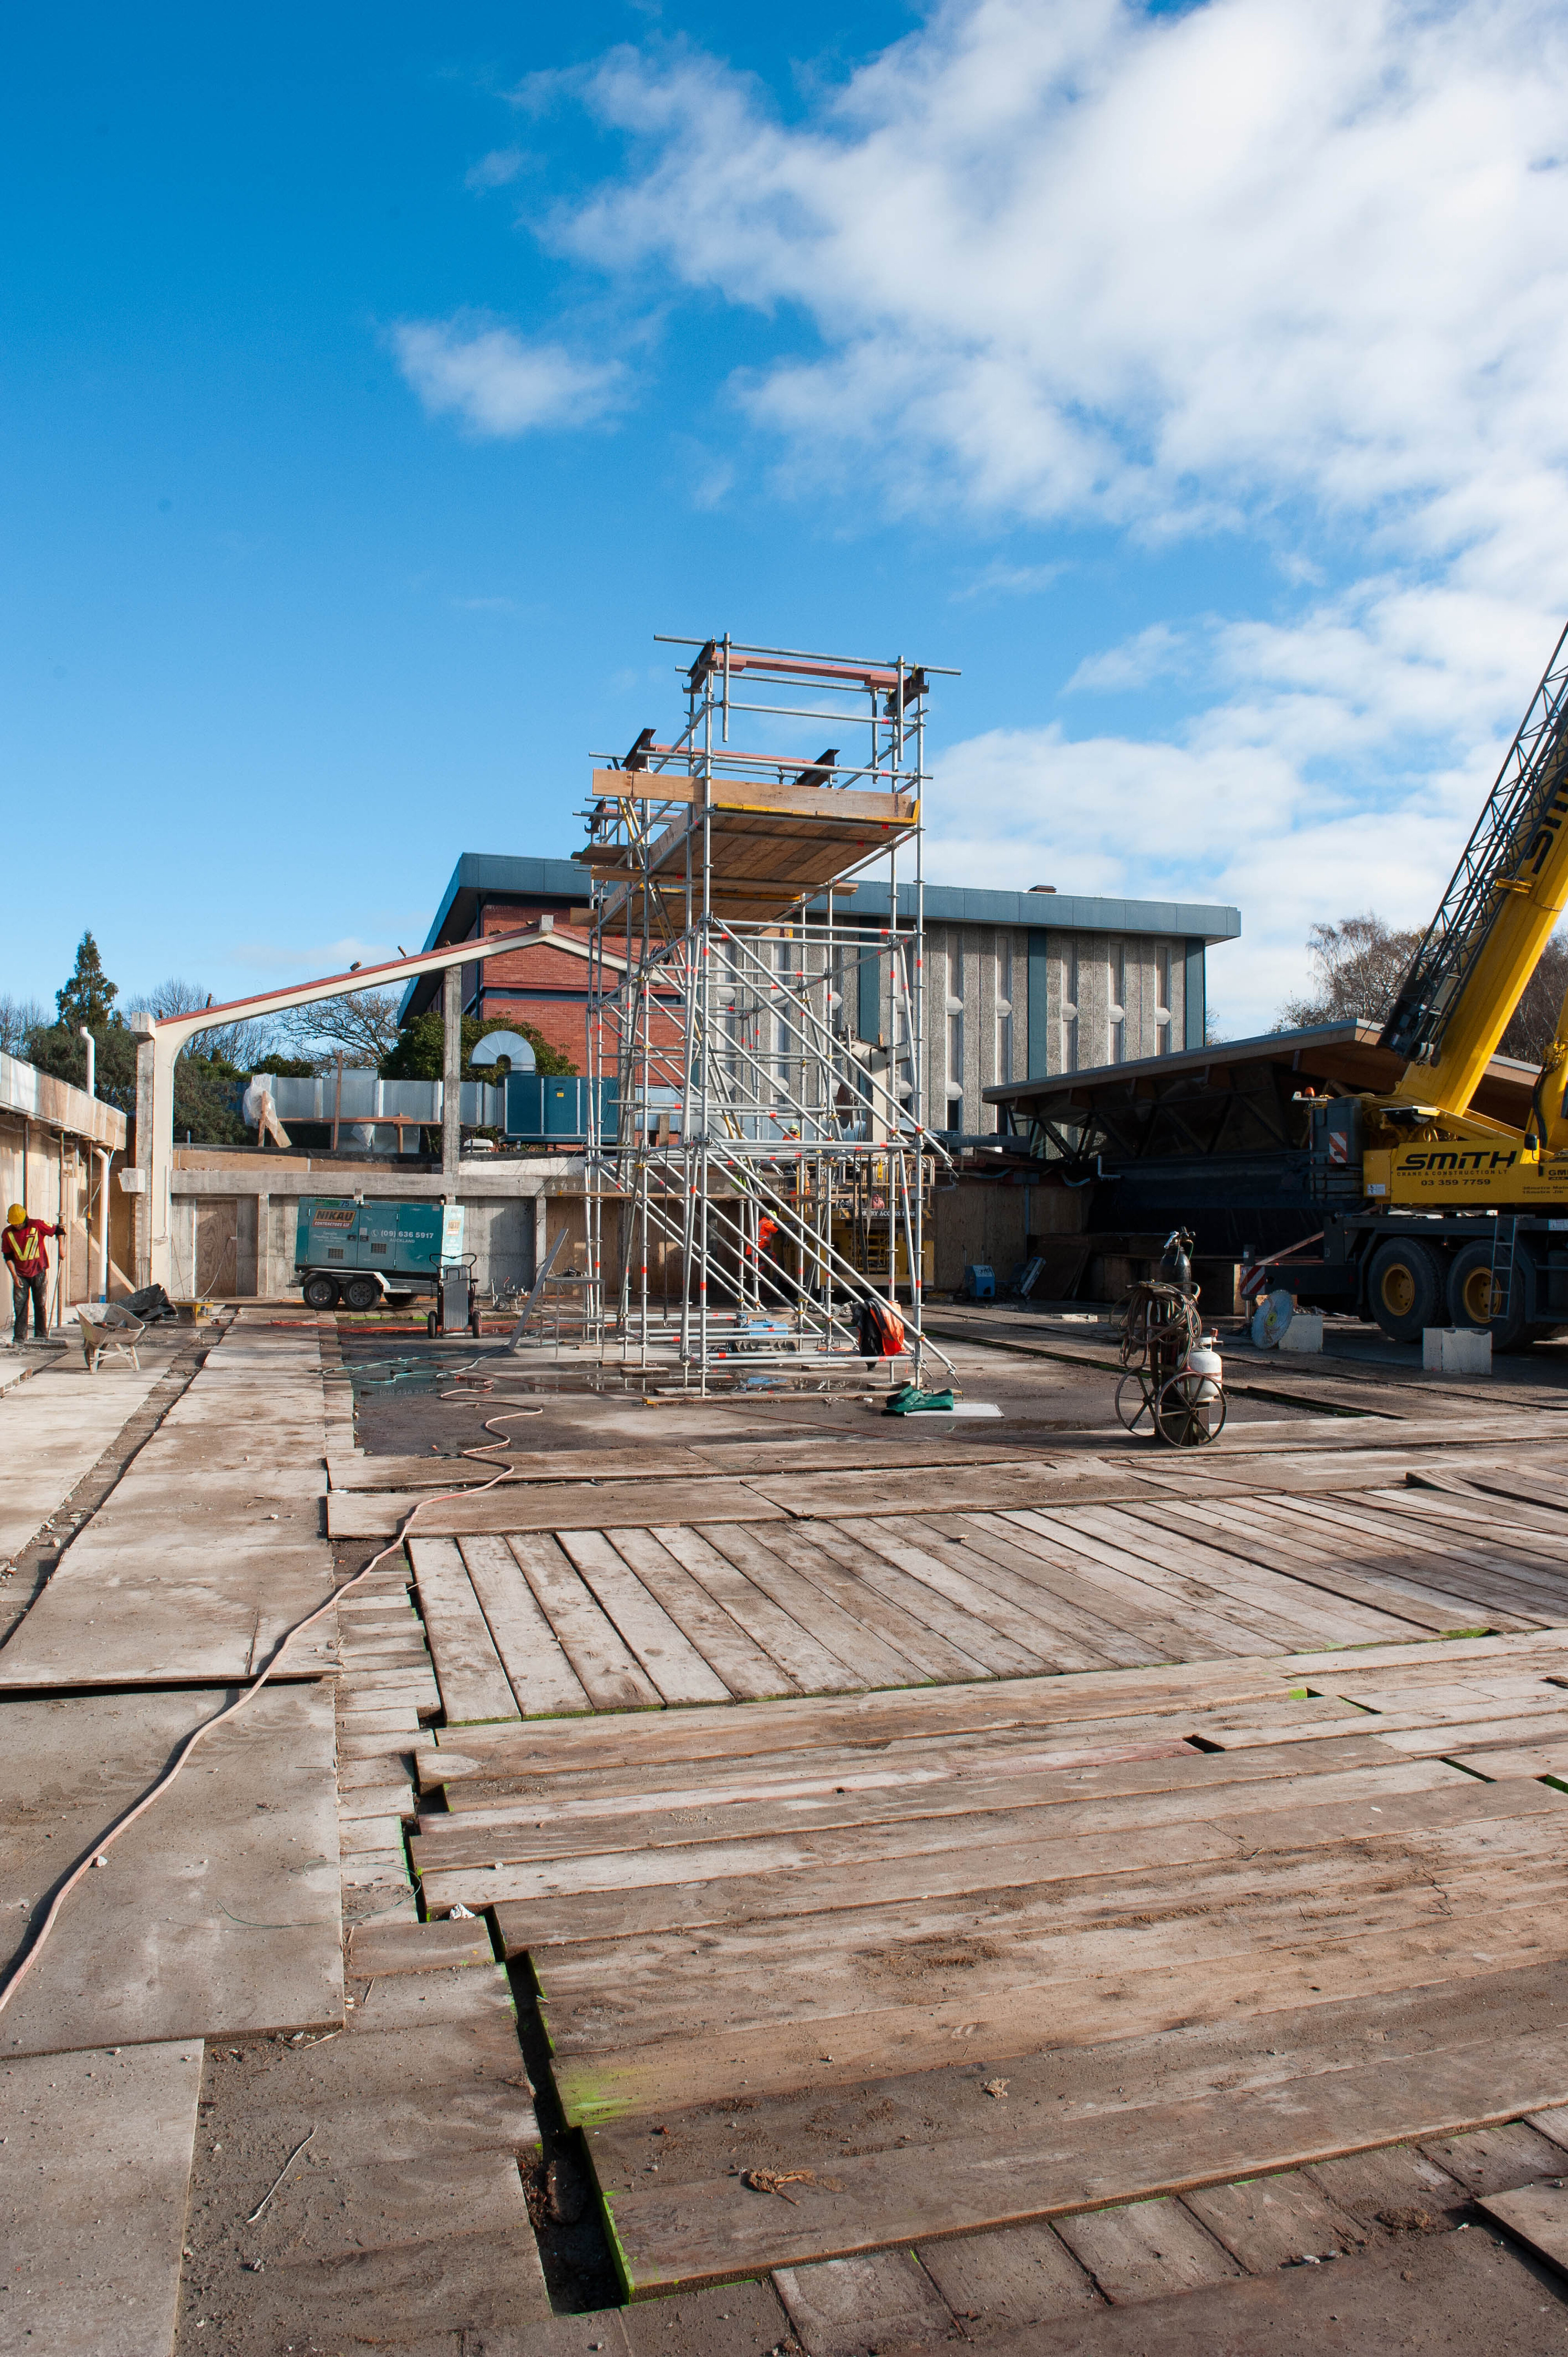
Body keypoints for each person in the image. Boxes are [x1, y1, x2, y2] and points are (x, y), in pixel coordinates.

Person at [4, 1204, 63, 1346]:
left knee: (40, 1304)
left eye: (19, 1223)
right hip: (20, 1274)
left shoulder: (36, 1225)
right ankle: (19, 1338)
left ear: (25, 1218)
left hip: (38, 1271)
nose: (17, 1226)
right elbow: (8, 1256)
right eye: (14, 1224)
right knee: (20, 1306)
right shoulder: (8, 1234)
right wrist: (14, 1276)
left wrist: (62, 1248)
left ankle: (41, 1336)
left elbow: (59, 1230)